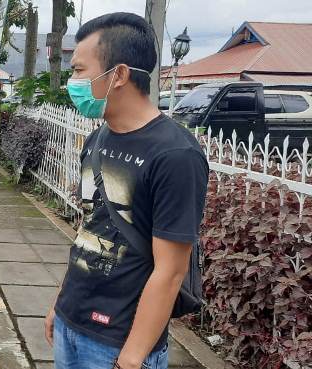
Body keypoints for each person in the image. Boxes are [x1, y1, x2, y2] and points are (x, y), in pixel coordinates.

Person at [43, 13, 209, 369]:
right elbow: (90, 228)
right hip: (71, 323)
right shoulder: (97, 139)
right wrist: (60, 303)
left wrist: (132, 358)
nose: (72, 82)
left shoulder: (176, 154)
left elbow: (171, 271)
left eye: (78, 70)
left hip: (118, 343)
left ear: (117, 74)